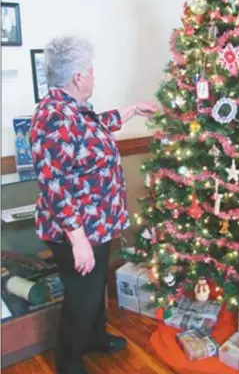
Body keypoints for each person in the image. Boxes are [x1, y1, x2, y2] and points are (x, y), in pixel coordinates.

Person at [29, 36, 157, 374]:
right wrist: (78, 239)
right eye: (90, 70)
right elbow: (54, 185)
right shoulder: (52, 117)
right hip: (76, 231)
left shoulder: (74, 109)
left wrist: (132, 109)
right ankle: (69, 361)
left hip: (96, 225)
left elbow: (96, 127)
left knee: (95, 286)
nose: (94, 75)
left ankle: (95, 338)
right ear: (77, 78)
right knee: (81, 298)